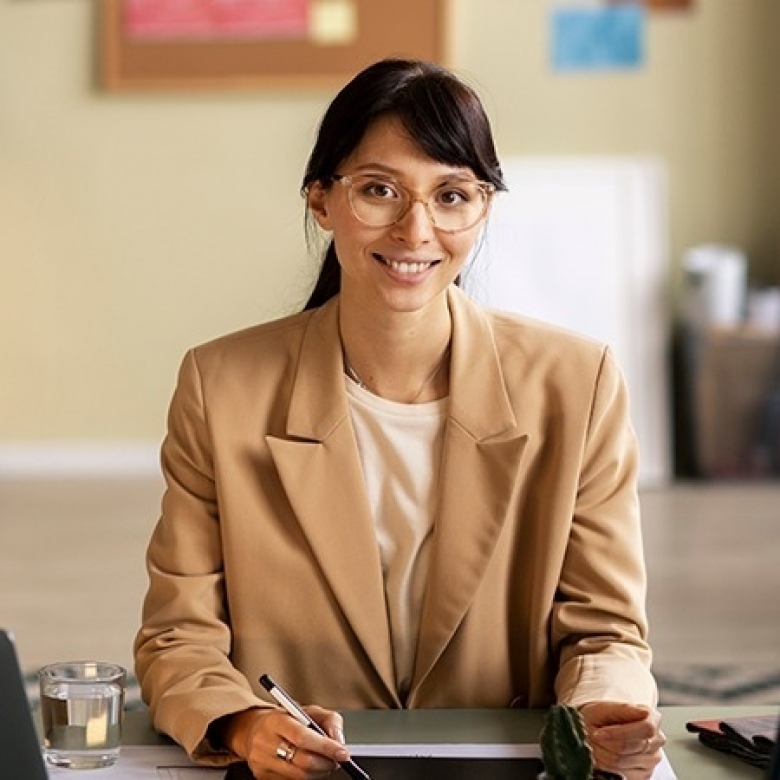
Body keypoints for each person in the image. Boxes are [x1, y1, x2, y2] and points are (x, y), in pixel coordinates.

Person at [134, 58, 665, 779]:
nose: (417, 229)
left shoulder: (579, 382)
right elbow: (178, 635)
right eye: (379, 190)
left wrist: (604, 711)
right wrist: (244, 723)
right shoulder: (219, 385)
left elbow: (606, 633)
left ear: (483, 209)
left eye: (452, 195)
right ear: (321, 201)